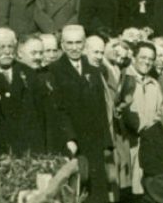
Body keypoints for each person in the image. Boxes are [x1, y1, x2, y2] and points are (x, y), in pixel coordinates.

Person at [49, 24, 115, 202]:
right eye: (69, 43)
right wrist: (69, 138)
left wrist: (107, 143)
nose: (74, 47)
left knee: (97, 190)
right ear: (62, 45)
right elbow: (58, 109)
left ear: (85, 44)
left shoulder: (93, 70)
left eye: (78, 42)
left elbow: (101, 109)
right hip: (71, 141)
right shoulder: (54, 71)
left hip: (93, 141)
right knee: (74, 188)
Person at [0, 27, 46, 154]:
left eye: (10, 47)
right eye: (2, 47)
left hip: (27, 147)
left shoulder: (27, 73)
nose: (7, 51)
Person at [116, 41, 163, 199]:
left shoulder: (154, 84)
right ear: (134, 57)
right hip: (127, 144)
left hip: (147, 146)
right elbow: (124, 112)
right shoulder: (123, 79)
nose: (147, 62)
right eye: (143, 57)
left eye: (151, 59)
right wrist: (146, 124)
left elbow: (160, 112)